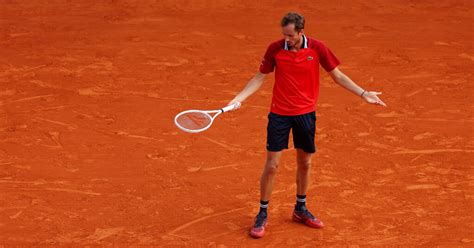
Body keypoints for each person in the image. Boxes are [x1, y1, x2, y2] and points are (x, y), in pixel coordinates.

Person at [227, 12, 386, 239]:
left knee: (305, 162)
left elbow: (337, 76)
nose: (286, 39)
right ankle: (262, 213)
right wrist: (238, 98)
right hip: (279, 115)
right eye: (283, 34)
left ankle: (300, 209)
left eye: (290, 35)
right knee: (272, 165)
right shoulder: (275, 49)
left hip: (305, 115)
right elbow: (259, 77)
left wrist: (363, 93)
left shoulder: (318, 48)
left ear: (301, 32)